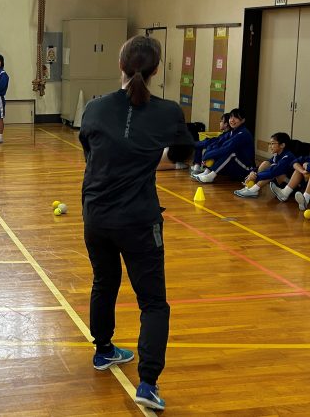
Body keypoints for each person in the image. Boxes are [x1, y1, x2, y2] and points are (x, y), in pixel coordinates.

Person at [79, 35, 194, 411]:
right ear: (157, 69)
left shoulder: (94, 108)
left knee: (104, 281)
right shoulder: (168, 112)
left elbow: (91, 154)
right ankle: (148, 382)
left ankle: (103, 350)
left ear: (120, 64)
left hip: (96, 215)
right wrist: (147, 159)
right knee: (154, 303)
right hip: (138, 221)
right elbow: (182, 155)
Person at [191, 108, 255, 183]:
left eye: (236, 118)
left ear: (243, 120)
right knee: (217, 149)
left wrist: (207, 156)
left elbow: (227, 148)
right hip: (235, 166)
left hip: (246, 169)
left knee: (230, 152)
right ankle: (206, 172)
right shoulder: (232, 132)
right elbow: (218, 144)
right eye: (231, 117)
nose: (232, 120)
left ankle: (210, 176)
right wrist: (208, 154)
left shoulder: (243, 133)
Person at [234, 132, 295, 198]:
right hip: (279, 180)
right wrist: (253, 172)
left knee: (274, 172)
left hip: (289, 186)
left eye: (272, 143)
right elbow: (266, 166)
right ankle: (251, 187)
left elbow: (274, 172)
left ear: (282, 145)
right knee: (265, 164)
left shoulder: (288, 156)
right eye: (270, 143)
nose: (270, 146)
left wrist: (256, 176)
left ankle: (253, 190)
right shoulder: (277, 155)